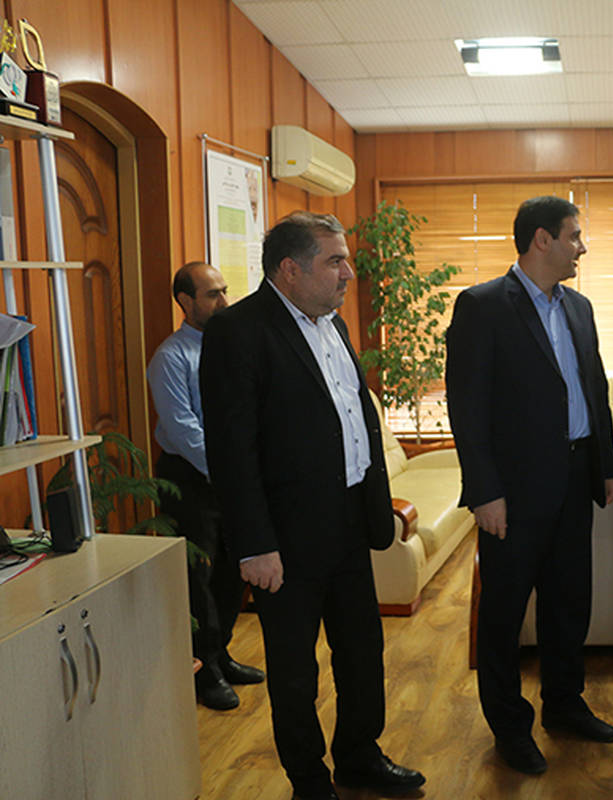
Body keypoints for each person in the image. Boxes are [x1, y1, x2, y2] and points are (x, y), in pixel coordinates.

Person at [200, 212, 425, 800]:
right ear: (290, 269)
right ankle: (309, 781)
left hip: (350, 520)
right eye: (335, 261)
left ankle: (359, 757)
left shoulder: (334, 323)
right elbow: (232, 451)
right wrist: (254, 544)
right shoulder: (238, 332)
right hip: (285, 537)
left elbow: (352, 418)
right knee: (296, 671)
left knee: (362, 652)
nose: (348, 273)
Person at [445, 195, 613, 775]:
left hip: (575, 477)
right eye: (575, 236)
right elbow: (467, 407)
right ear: (542, 239)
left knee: (570, 602)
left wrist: (605, 465)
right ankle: (510, 728)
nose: (582, 247)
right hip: (513, 491)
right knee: (503, 614)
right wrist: (484, 491)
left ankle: (564, 705)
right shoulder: (483, 305)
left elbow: (593, 388)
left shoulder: (580, 307)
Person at [147, 261, 264, 711]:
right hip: (189, 478)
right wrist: (231, 473)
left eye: (224, 290)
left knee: (235, 566)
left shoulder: (230, 349)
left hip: (230, 475)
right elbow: (183, 430)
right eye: (213, 294)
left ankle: (222, 652)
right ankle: (203, 668)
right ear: (185, 301)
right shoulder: (171, 357)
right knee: (198, 577)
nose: (224, 302)